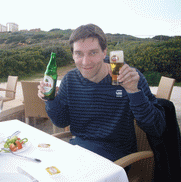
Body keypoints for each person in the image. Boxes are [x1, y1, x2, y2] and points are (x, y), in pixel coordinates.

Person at [38, 24, 166, 162]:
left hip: (117, 158)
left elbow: (156, 128)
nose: (85, 62)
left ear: (104, 52)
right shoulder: (70, 79)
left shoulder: (128, 77)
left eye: (93, 52)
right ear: (73, 55)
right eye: (79, 53)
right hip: (79, 152)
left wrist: (133, 91)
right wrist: (51, 99)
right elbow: (61, 121)